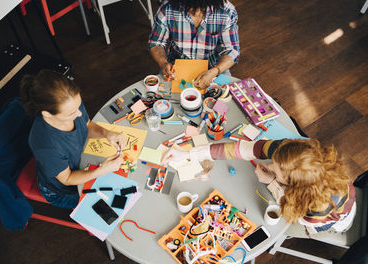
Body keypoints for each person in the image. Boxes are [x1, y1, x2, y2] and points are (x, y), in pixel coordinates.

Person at [162, 139, 356, 234]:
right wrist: (189, 155)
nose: (269, 165)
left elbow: (294, 211)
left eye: (277, 170)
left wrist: (272, 183)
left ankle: (342, 225)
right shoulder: (288, 149)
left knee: (306, 223)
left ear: (293, 187)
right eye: (274, 161)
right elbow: (242, 149)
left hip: (331, 218)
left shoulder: (315, 209)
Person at [20, 70, 125, 209]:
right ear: (47, 114)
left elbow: (86, 125)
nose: (79, 113)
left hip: (79, 164)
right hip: (62, 191)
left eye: (78, 106)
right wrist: (101, 171)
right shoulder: (46, 145)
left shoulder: (70, 104)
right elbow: (67, 179)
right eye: (71, 113)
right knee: (112, 205)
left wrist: (106, 132)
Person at [148, 0, 239, 90]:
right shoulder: (167, 8)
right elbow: (156, 43)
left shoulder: (227, 11)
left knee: (226, 98)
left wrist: (215, 71)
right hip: (174, 67)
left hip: (214, 66)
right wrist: (163, 62)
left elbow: (231, 50)